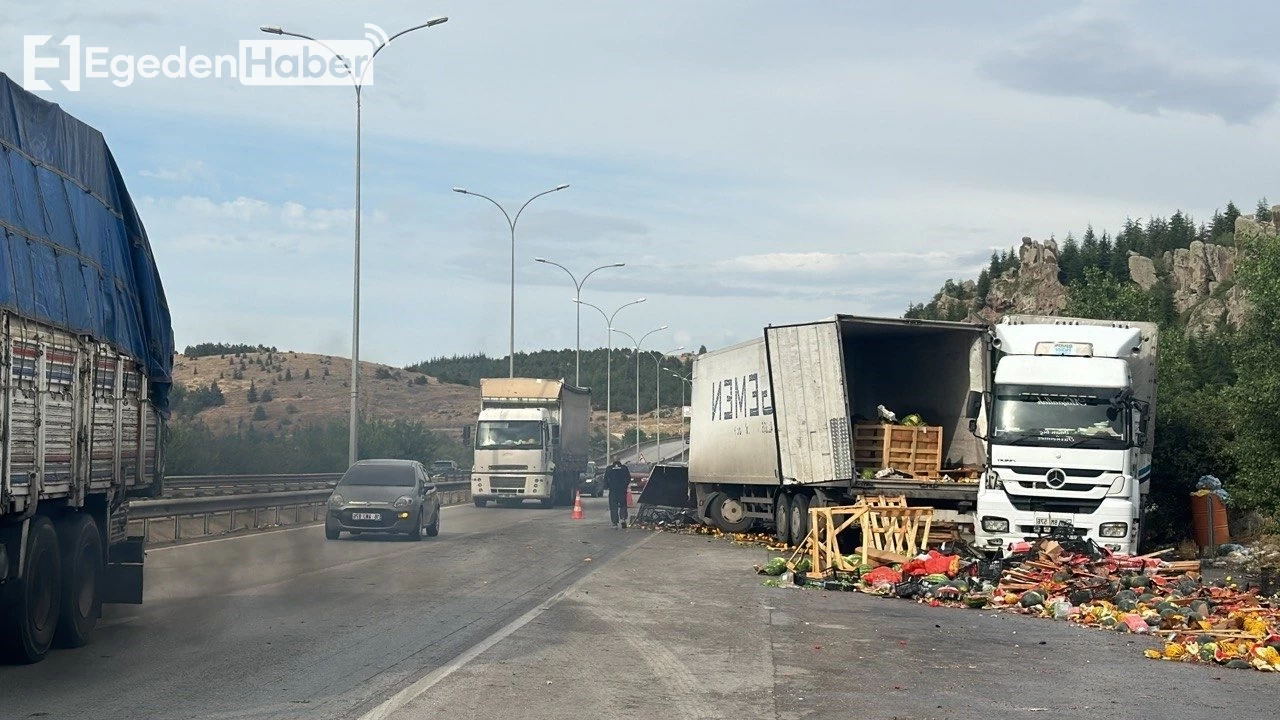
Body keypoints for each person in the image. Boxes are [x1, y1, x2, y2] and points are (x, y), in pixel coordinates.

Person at [604, 457, 632, 528]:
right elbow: (628, 478)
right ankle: (623, 518)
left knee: (613, 507)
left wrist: (608, 486)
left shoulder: (609, 469)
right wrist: (625, 486)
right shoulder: (624, 468)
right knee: (623, 505)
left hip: (613, 491)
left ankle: (615, 523)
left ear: (612, 461)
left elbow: (605, 479)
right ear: (619, 460)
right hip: (622, 490)